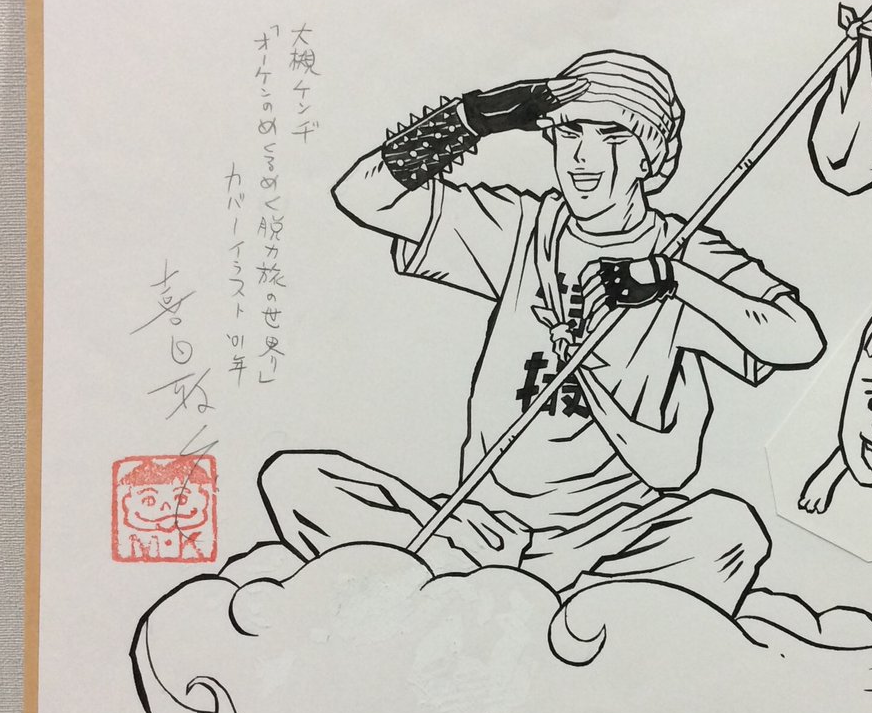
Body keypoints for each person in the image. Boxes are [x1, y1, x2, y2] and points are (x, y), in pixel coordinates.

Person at [260, 51, 825, 612]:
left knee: (730, 533)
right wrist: (475, 117)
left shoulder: (686, 249)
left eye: (613, 136)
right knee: (296, 479)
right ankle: (520, 597)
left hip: (609, 536)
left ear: (651, 158)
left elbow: (801, 340)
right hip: (478, 524)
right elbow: (362, 195)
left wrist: (673, 279)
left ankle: (522, 597)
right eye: (569, 132)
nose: (583, 156)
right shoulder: (522, 227)